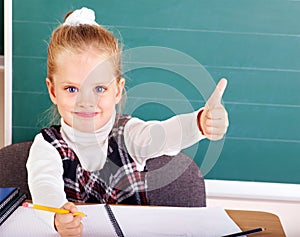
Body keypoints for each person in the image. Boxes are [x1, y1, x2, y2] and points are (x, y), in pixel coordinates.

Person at [26, 7, 229, 237]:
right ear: (53, 91)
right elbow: (44, 186)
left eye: (99, 88)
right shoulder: (46, 146)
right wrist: (57, 215)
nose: (86, 101)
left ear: (117, 90)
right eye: (71, 89)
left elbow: (162, 134)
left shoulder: (129, 135)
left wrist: (200, 123)